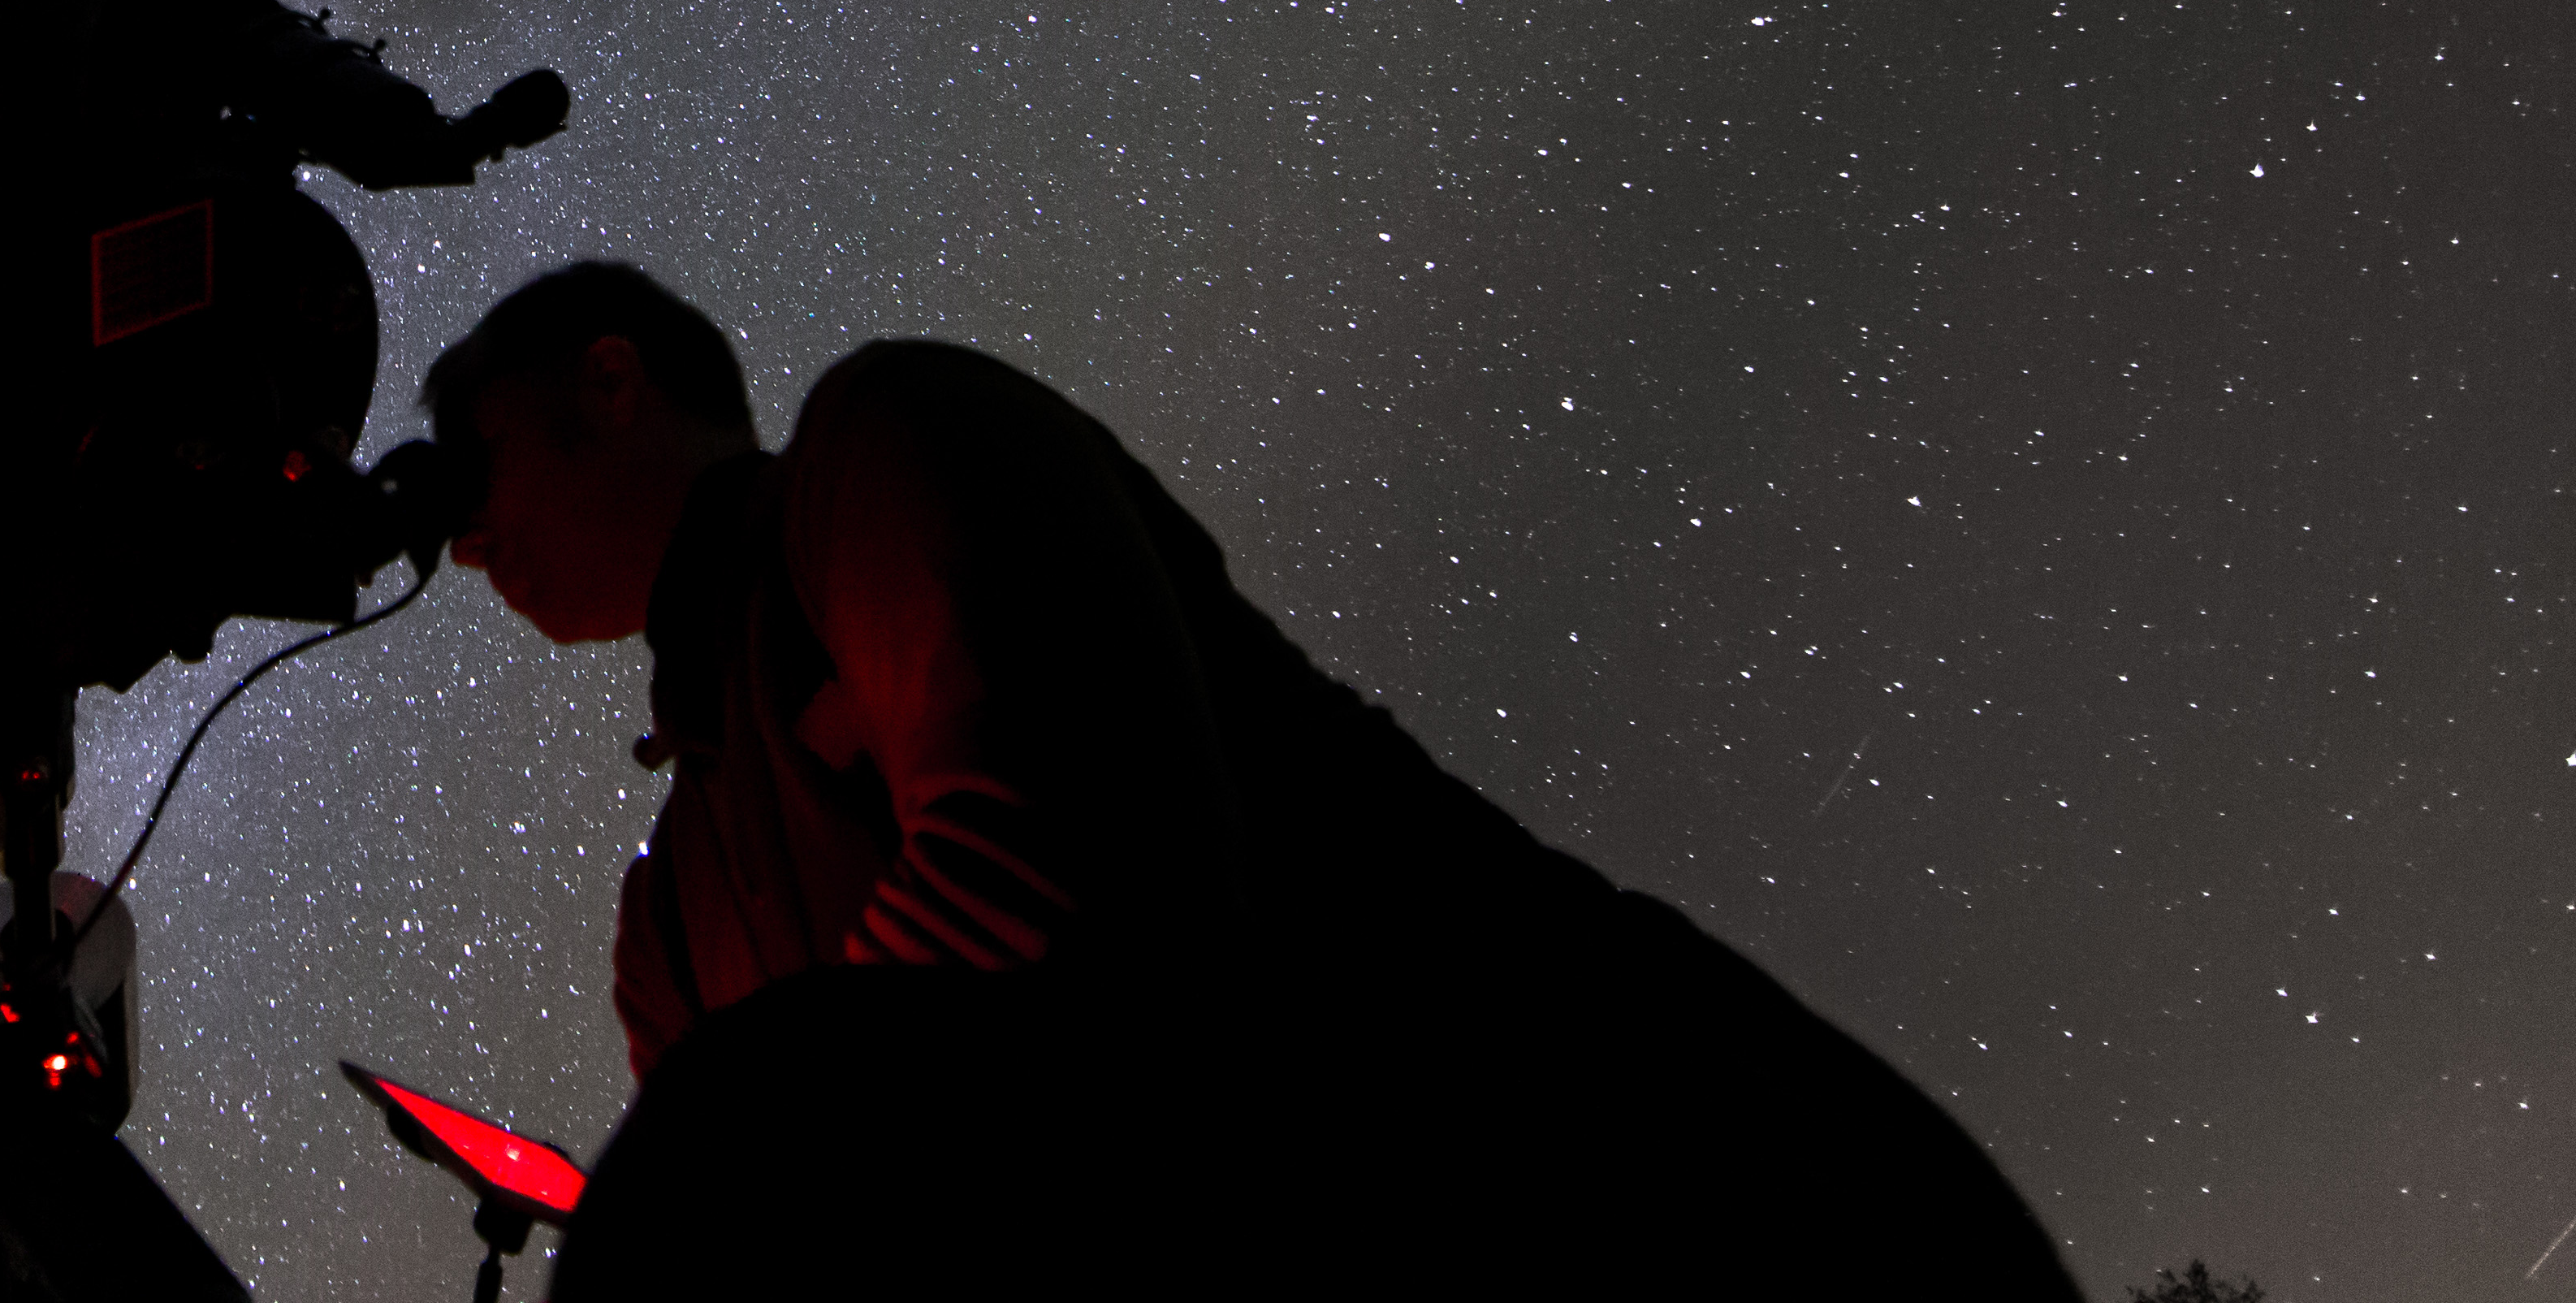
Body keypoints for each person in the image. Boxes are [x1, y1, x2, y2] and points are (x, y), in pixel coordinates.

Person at [426, 261, 2079, 1301]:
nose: (459, 531)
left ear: (609, 379)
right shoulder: (670, 912)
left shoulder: (879, 442)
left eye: (472, 457)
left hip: (1670, 1175)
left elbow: (1084, 894)